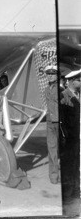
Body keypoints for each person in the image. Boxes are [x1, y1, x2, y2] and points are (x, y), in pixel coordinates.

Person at [59, 69, 80, 203]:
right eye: (79, 80)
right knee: (69, 165)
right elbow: (62, 119)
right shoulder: (63, 96)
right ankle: (68, 194)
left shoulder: (78, 94)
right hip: (70, 138)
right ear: (71, 82)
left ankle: (77, 190)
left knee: (77, 164)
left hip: (78, 137)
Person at [44, 65, 61, 184]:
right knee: (52, 150)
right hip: (50, 122)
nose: (50, 76)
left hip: (61, 122)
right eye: (48, 74)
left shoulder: (60, 89)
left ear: (57, 75)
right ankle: (54, 177)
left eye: (52, 73)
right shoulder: (46, 89)